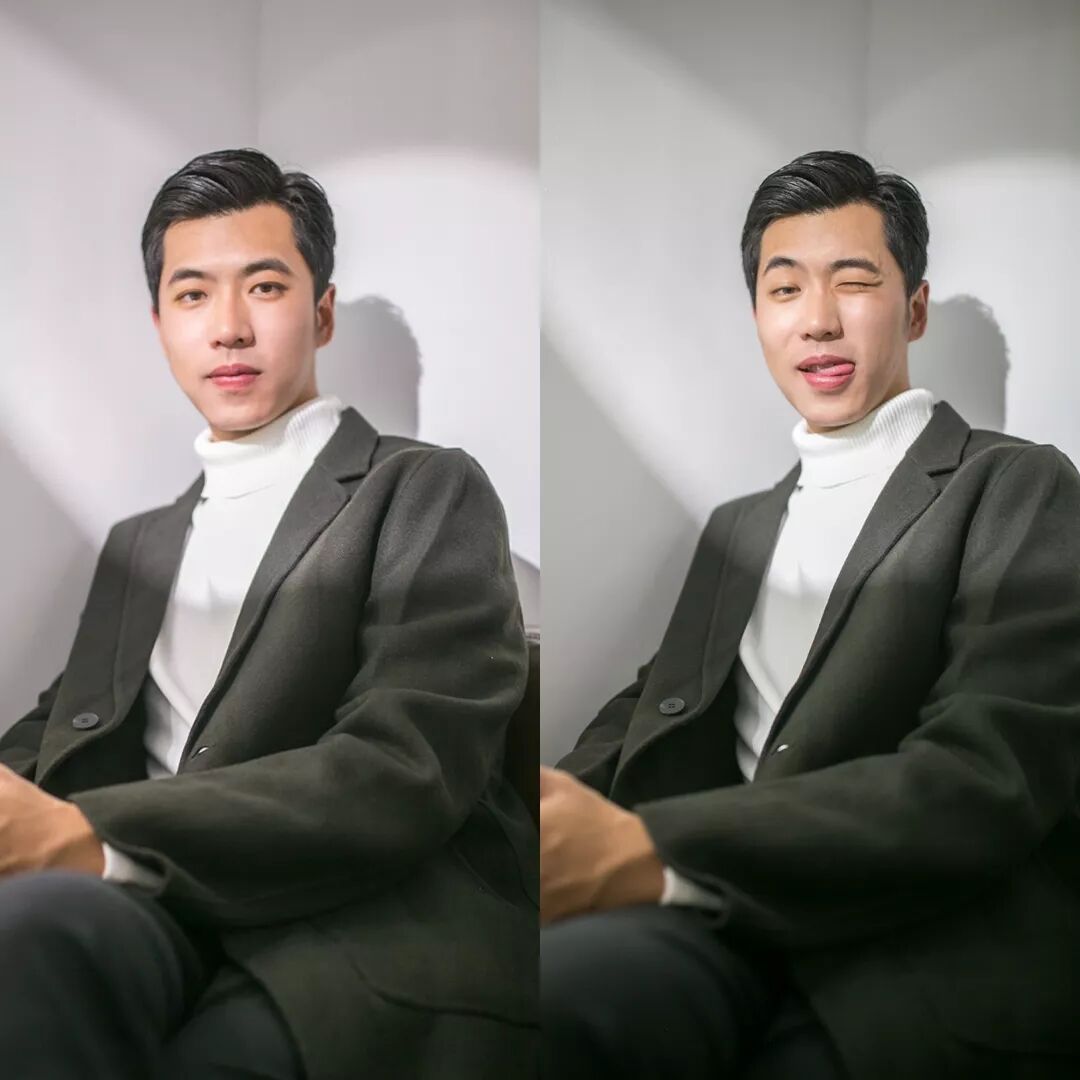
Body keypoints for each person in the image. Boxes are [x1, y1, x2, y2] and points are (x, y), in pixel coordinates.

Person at [540, 150, 1080, 1080]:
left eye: (854, 281)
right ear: (759, 316)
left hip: (910, 940)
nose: (817, 319)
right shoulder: (738, 527)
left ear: (914, 307)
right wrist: (546, 814)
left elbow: (986, 774)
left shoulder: (1017, 486)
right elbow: (649, 707)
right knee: (548, 997)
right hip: (721, 911)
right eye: (783, 288)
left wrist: (650, 846)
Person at [0, 148, 537, 1080]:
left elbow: (405, 765)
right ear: (161, 324)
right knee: (30, 937)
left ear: (320, 313)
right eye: (193, 295)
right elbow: (57, 734)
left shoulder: (424, 488)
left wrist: (95, 834)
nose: (229, 329)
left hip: (344, 927)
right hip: (149, 904)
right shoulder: (138, 545)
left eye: (265, 286)